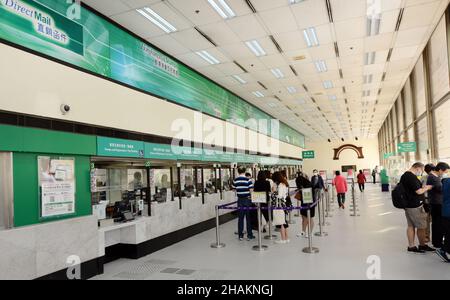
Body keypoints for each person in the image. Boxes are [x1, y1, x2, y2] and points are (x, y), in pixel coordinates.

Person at [399, 162, 434, 253]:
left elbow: (412, 189)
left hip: (408, 205)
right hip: (415, 206)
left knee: (410, 226)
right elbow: (418, 192)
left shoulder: (405, 176)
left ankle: (411, 246)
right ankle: (422, 245)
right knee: (421, 227)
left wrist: (423, 187)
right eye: (422, 170)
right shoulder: (411, 177)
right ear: (417, 168)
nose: (421, 172)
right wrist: (428, 188)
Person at [427, 162, 449, 249]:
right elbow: (441, 189)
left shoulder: (436, 177)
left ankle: (438, 241)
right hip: (436, 204)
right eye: (445, 172)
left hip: (438, 203)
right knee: (437, 223)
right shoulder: (433, 177)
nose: (445, 174)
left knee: (438, 223)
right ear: (440, 170)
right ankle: (437, 243)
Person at [232, 167, 255, 241]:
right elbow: (251, 191)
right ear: (245, 171)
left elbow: (233, 189)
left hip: (240, 200)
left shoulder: (235, 180)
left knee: (240, 218)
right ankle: (249, 235)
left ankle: (240, 236)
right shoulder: (248, 180)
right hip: (247, 200)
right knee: (248, 218)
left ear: (238, 172)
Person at [272, 171, 290, 244]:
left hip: (280, 205)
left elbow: (279, 196)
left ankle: (283, 239)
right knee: (284, 221)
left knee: (281, 222)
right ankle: (286, 238)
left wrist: (273, 192)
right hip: (284, 204)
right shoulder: (284, 184)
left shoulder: (280, 185)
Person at [436, 175, 450, 262]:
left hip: (445, 210)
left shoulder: (445, 180)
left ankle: (444, 250)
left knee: (448, 233)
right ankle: (443, 250)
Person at [296, 171, 314, 238]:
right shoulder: (303, 185)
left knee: (310, 218)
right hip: (304, 203)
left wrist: (302, 190)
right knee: (303, 217)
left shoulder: (309, 184)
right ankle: (303, 231)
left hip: (310, 203)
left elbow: (309, 194)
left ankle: (310, 233)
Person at [422, 164, 435, 243]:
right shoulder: (423, 178)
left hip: (431, 201)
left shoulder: (438, 178)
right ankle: (426, 236)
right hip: (427, 201)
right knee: (426, 220)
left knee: (428, 220)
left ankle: (428, 237)